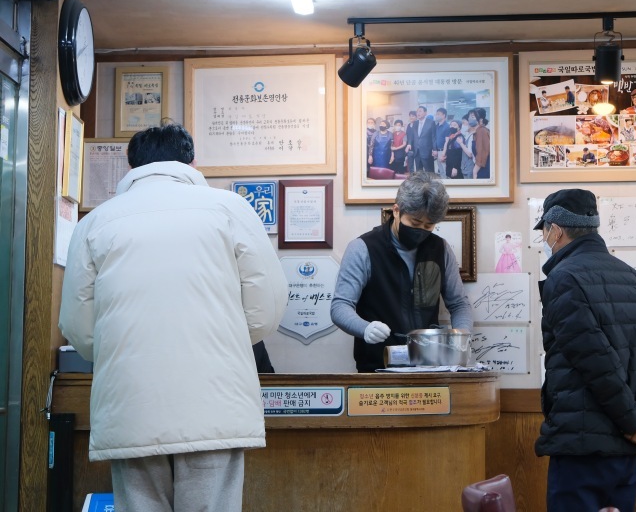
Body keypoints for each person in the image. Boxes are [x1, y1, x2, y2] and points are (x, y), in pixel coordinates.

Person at [58, 123, 288, 512]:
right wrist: (223, 337)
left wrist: (123, 348)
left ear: (130, 165)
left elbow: (79, 327)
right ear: (192, 162)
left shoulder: (94, 222)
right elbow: (267, 307)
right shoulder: (230, 208)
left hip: (131, 403)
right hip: (216, 401)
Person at [533, 188, 636, 512]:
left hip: (581, 451)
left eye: (544, 231)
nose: (545, 238)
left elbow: (594, 362)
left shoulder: (563, 278)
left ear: (556, 229)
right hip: (626, 452)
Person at [330, 171, 473, 372]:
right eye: (414, 223)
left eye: (429, 225)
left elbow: (458, 304)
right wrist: (366, 328)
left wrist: (461, 339)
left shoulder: (440, 249)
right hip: (377, 369)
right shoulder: (363, 248)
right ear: (396, 210)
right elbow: (340, 306)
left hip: (430, 368)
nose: (421, 230)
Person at [412, 105, 436, 172]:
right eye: (417, 112)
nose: (418, 113)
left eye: (420, 111)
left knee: (429, 171)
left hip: (427, 151)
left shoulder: (431, 122)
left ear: (425, 113)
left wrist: (434, 149)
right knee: (418, 172)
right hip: (417, 151)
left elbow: (433, 137)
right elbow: (414, 136)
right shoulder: (415, 123)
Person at [469, 107, 491, 179]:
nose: (470, 119)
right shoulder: (477, 131)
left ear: (480, 119)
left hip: (483, 169)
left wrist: (475, 171)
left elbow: (482, 152)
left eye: (473, 117)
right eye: (470, 117)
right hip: (480, 167)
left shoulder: (482, 131)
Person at [432, 107, 451, 178]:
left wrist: (444, 153)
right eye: (436, 114)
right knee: (440, 170)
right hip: (436, 151)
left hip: (443, 151)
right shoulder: (436, 126)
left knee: (445, 170)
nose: (437, 116)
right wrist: (434, 150)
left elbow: (447, 141)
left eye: (439, 114)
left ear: (444, 115)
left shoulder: (447, 126)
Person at [458, 115, 476, 180]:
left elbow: (470, 154)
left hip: (469, 168)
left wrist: (461, 143)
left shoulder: (473, 136)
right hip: (465, 167)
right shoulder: (467, 135)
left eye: (463, 123)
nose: (462, 126)